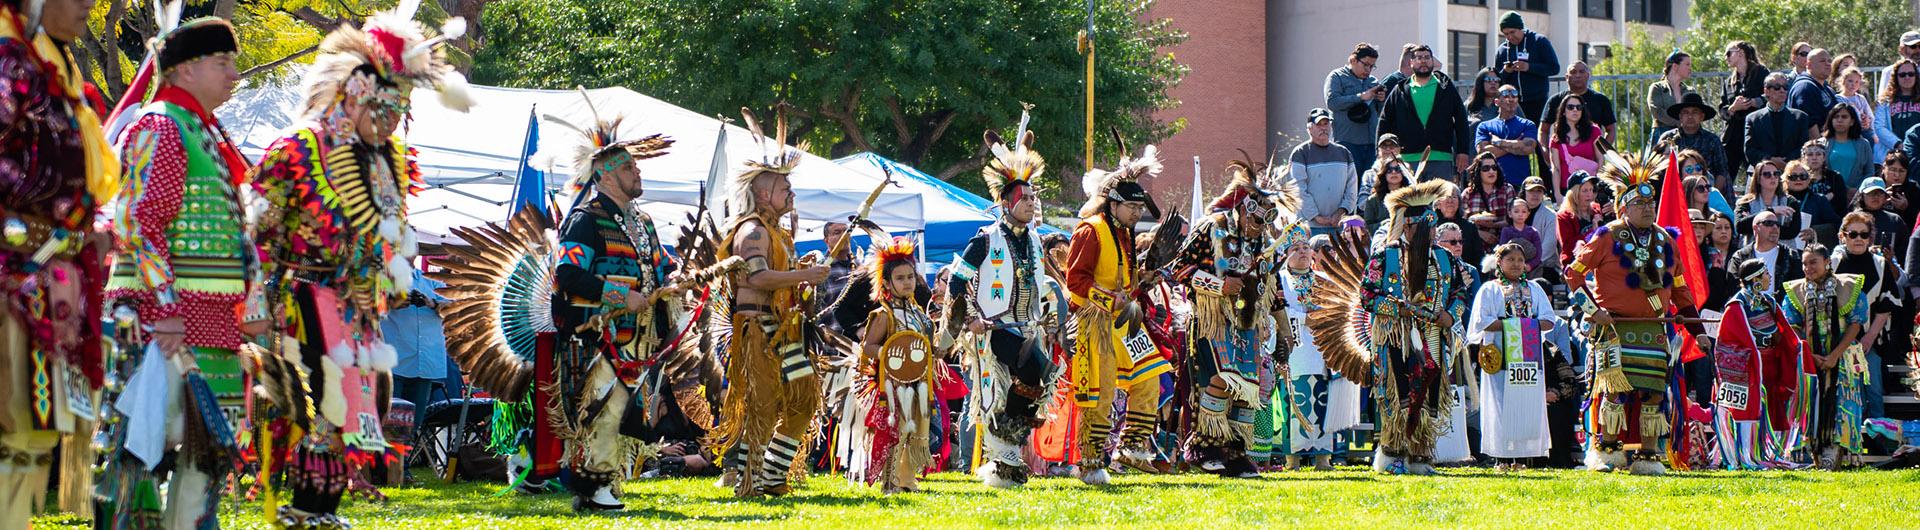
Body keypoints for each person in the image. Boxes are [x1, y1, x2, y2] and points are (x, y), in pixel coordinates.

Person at [244, 6, 471, 524]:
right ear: (355, 95)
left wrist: (387, 282)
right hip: (302, 301)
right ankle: (304, 507)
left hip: (356, 310)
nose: (393, 121)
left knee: (353, 410)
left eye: (401, 111)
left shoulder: (387, 161)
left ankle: (323, 507)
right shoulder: (298, 149)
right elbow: (257, 234)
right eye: (385, 108)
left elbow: (392, 237)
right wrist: (259, 303)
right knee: (322, 406)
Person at [95, 16, 251, 530]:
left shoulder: (206, 133)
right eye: (223, 63)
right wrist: (164, 310)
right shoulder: (160, 124)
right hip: (155, 322)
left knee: (203, 459)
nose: (235, 74)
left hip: (209, 323)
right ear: (184, 69)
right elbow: (138, 221)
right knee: (137, 456)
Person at [0, 0, 116, 523]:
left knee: (35, 433)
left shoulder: (58, 73)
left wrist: (80, 229)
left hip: (56, 283)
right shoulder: (12, 63)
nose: (90, 4)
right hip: (13, 279)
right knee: (11, 428)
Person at [538, 98, 682, 509]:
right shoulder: (586, 218)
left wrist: (674, 281)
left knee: (618, 413)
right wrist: (621, 295)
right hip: (595, 334)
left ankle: (604, 481)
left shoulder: (643, 221)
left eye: (636, 166)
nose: (637, 172)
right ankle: (592, 484)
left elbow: (661, 266)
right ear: (603, 173)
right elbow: (567, 275)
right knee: (601, 408)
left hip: (637, 338)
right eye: (628, 167)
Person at [710, 107, 834, 498]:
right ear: (763, 193)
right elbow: (756, 278)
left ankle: (773, 471)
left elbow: (780, 279)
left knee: (803, 396)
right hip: (756, 330)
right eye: (785, 190)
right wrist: (803, 276)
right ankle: (748, 481)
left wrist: (802, 278)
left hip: (784, 328)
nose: (791, 195)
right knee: (761, 406)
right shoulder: (751, 231)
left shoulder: (777, 233)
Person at [1567, 156, 1711, 475]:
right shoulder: (1607, 235)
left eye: (1651, 202)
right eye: (1640, 203)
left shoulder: (1666, 241)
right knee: (1614, 392)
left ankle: (1647, 457)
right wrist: (1594, 310)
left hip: (1654, 330)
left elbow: (1681, 290)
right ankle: (1607, 453)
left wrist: (1697, 330)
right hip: (1614, 328)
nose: (1648, 208)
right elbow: (1573, 274)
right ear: (1624, 207)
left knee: (1652, 393)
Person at [1331, 180, 1471, 475]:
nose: (1431, 232)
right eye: (1425, 226)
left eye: (1433, 225)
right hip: (1396, 338)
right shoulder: (1385, 257)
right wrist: (1399, 309)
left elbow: (1460, 292)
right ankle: (1393, 454)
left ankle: (1421, 454)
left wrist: (1451, 314)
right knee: (1399, 395)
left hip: (1434, 335)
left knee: (1428, 394)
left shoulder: (1444, 258)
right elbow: (1367, 295)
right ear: (1408, 227)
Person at [946, 125, 1058, 488]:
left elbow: (1041, 283)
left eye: (1033, 198)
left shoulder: (1036, 242)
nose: (1031, 203)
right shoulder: (985, 240)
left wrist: (1052, 313)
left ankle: (1006, 456)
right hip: (993, 329)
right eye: (1025, 198)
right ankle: (1002, 450)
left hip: (1026, 327)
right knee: (1030, 375)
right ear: (1008, 202)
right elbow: (957, 282)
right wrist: (970, 320)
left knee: (1037, 381)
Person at [1174, 162, 1287, 478]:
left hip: (1248, 323)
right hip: (1214, 319)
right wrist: (1218, 285)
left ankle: (1237, 453)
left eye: (1264, 220)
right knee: (1220, 381)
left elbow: (1272, 286)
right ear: (1242, 207)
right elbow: (1179, 269)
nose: (1258, 226)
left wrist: (1282, 325)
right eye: (1255, 218)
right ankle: (1206, 447)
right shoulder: (1211, 228)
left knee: (1247, 389)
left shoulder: (1260, 242)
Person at [1065, 145, 1168, 482]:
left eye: (1141, 207)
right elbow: (1075, 280)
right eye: (1132, 207)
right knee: (1102, 391)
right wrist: (1111, 300)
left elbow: (1126, 281)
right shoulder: (1090, 230)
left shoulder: (1124, 234)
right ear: (1113, 205)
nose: (1138, 213)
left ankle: (1132, 446)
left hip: (1125, 322)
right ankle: (1091, 461)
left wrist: (1144, 281)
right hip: (1095, 321)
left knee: (1150, 378)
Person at [846, 237, 936, 493]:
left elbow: (928, 347)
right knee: (894, 433)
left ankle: (907, 480)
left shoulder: (919, 313)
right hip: (892, 386)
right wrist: (892, 352)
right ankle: (890, 481)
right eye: (900, 278)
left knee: (915, 430)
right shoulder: (884, 314)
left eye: (911, 276)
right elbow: (868, 347)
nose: (907, 282)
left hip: (919, 384)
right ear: (886, 283)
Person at [1274, 230, 1359, 471]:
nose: (1302, 252)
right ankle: (1294, 460)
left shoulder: (1325, 280)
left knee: (1323, 400)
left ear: (1312, 253)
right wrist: (1303, 319)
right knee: (1296, 398)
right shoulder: (1280, 280)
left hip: (1323, 351)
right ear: (1286, 255)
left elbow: (1340, 312)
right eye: (1295, 248)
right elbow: (1275, 311)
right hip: (1294, 349)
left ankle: (1323, 458)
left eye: (1305, 247)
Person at [1468, 243, 1558, 470]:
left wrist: (1523, 326)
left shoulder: (1535, 289)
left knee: (1526, 402)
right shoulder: (1489, 290)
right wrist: (1518, 325)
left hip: (1528, 357)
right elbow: (1481, 322)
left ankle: (1521, 458)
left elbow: (1549, 320)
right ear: (1499, 262)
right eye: (1511, 260)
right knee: (1500, 403)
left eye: (1520, 260)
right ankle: (1502, 458)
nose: (1516, 264)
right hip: (1499, 355)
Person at [1711, 259, 1807, 470]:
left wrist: (1793, 349)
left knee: (1774, 407)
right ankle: (1746, 454)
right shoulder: (1736, 306)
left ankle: (1774, 453)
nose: (1769, 277)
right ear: (1754, 280)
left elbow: (1784, 334)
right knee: (1748, 408)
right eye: (1765, 274)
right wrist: (1752, 356)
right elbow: (1726, 341)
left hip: (1770, 364)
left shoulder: (1768, 302)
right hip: (1750, 369)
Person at [1779, 246, 1867, 469]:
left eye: (1813, 262)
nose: (1808, 268)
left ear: (1827, 261)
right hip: (1808, 357)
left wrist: (1835, 355)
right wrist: (1810, 354)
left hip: (1844, 355)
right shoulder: (1796, 291)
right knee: (1807, 399)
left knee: (1843, 400)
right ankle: (1807, 450)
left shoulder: (1848, 287)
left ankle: (1838, 450)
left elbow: (1856, 324)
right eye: (1805, 264)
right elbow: (1792, 328)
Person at [1832, 211, 1900, 422]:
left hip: (1870, 340)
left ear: (1871, 237)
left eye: (1864, 234)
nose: (1859, 239)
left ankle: (1878, 439)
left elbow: (1887, 305)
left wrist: (1868, 338)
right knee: (1846, 394)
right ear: (1843, 236)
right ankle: (1847, 442)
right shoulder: (1832, 264)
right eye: (1853, 234)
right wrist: (1844, 340)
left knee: (1874, 391)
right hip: (1838, 342)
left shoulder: (1880, 264)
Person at [1379, 44, 1473, 182]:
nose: (1423, 61)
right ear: (1411, 62)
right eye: (1419, 58)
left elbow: (1461, 120)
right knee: (1410, 203)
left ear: (1432, 62)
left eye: (1427, 57)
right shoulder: (1399, 90)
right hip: (1407, 160)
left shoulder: (1445, 87)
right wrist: (1381, 150)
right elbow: (1384, 121)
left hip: (1441, 157)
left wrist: (1463, 151)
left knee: (1441, 202)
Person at [381, 267, 450, 436]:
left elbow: (455, 308)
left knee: (412, 427)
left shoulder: (430, 280)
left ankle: (403, 462)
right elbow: (366, 302)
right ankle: (388, 461)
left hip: (425, 365)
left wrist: (432, 303)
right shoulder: (384, 276)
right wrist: (392, 301)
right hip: (395, 363)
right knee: (389, 424)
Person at [1292, 108, 1360, 237]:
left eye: (1326, 123)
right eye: (1319, 124)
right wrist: (1316, 216)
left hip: (1341, 226)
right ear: (1309, 128)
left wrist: (1341, 212)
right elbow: (1298, 189)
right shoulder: (1300, 153)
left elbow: (1352, 187)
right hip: (1310, 227)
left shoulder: (1344, 152)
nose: (1323, 128)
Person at [1492, 11, 1560, 122]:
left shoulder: (1539, 41)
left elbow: (1554, 68)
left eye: (1512, 32)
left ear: (1521, 28)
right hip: (1511, 103)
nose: (1509, 37)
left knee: (1534, 135)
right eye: (1506, 34)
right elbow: (1497, 79)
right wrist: (1505, 71)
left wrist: (1529, 67)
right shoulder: (1502, 50)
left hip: (1537, 101)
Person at [1327, 42, 1385, 172]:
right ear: (1353, 60)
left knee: (1370, 185)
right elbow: (1332, 102)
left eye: (1372, 66)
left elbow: (1382, 113)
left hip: (1371, 144)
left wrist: (1381, 100)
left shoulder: (1373, 81)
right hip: (1347, 142)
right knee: (1351, 185)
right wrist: (1360, 97)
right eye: (1365, 64)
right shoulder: (1337, 77)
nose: (1368, 70)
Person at [1657, 93, 1730, 182]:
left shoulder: (1712, 140)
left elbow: (1721, 172)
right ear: (1680, 116)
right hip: (1673, 191)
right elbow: (1656, 168)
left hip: (1705, 190)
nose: (1690, 116)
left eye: (1695, 112)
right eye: (1685, 112)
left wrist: (1711, 193)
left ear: (1701, 116)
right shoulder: (1668, 138)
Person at [1746, 72, 1815, 167]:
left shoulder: (1800, 117)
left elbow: (1803, 147)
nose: (1782, 90)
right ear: (1766, 91)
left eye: (1785, 87)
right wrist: (1770, 160)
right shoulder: (1753, 119)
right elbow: (1750, 151)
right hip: (1761, 170)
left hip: (1792, 170)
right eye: (1777, 87)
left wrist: (1785, 162)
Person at [1476, 85, 1539, 187]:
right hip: (1492, 185)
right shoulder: (1484, 126)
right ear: (1496, 102)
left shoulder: (1528, 124)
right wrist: (1516, 144)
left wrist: (1499, 143)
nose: (1510, 99)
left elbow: (1528, 148)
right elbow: (1483, 152)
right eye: (1505, 96)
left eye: (1514, 96)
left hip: (1520, 184)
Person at [1722, 41, 1769, 177]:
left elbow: (1773, 94)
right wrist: (1733, 108)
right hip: (1734, 135)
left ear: (1740, 53)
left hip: (1756, 133)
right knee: (1726, 176)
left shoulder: (1761, 73)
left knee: (1758, 174)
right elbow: (1722, 110)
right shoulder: (1729, 82)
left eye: (1729, 53)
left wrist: (1755, 102)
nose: (1726, 57)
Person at [1729, 210, 1803, 295]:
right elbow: (1733, 288)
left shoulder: (1791, 256)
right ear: (1755, 228)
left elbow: (1798, 289)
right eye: (1768, 223)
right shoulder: (1740, 257)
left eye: (1778, 224)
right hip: (1748, 306)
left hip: (1780, 307)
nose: (1775, 227)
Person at [1540, 61, 1617, 142]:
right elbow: (1543, 130)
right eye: (1573, 72)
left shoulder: (1601, 100)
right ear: (1566, 77)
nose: (1578, 75)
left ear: (1588, 75)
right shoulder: (1555, 100)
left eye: (1581, 72)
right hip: (1562, 152)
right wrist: (1545, 151)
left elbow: (1611, 129)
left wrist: (1603, 152)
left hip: (1592, 153)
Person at [1545, 93, 1604, 189]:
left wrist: (1597, 185)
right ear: (1563, 111)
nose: (1575, 110)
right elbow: (1556, 169)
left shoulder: (1594, 130)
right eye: (1570, 107)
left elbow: (1600, 159)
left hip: (1589, 188)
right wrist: (1557, 194)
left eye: (1579, 107)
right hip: (1566, 189)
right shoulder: (1556, 138)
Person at [1786, 155, 1844, 247]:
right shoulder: (1778, 199)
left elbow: (1837, 225)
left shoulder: (1819, 200)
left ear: (1809, 179)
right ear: (1786, 180)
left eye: (1803, 176)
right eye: (1793, 177)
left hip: (1811, 250)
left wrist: (1815, 232)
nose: (1798, 179)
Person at [1460, 153, 1516, 248]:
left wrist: (1492, 225)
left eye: (1494, 168)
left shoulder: (1507, 190)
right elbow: (1462, 223)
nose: (1491, 171)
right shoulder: (1468, 194)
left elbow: (1513, 220)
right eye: (1486, 168)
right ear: (1478, 172)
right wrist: (1480, 233)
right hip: (1476, 244)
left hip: (1503, 243)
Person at [1555, 171, 1604, 267]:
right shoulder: (1564, 216)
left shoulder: (1596, 209)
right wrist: (1592, 231)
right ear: (1574, 193)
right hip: (1575, 263)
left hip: (1597, 260)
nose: (1589, 194)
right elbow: (1568, 247)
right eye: (1585, 191)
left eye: (1591, 190)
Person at [1875, 59, 1920, 162]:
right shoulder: (1884, 101)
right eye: (1902, 75)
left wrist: (1912, 145)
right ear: (1896, 77)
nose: (1907, 77)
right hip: (1891, 155)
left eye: (1911, 74)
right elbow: (1879, 127)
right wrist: (1898, 144)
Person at [1834, 67, 1880, 163]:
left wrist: (1868, 121)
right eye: (1850, 81)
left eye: (1856, 82)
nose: (1853, 85)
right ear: (1843, 81)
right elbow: (1848, 114)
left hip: (1864, 130)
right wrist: (1860, 117)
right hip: (1849, 130)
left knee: (1871, 142)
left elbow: (1870, 115)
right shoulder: (1839, 98)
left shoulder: (1861, 98)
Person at [1647, 51, 1697, 140]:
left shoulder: (1690, 91)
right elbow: (1657, 112)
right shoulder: (1657, 88)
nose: (1690, 68)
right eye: (1687, 64)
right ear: (1675, 66)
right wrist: (1680, 123)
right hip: (1661, 136)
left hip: (1686, 136)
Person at [1735, 160, 1791, 236]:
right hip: (1752, 246)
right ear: (1758, 179)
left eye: (1776, 174)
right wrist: (1772, 210)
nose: (1773, 177)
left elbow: (1791, 232)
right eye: (1767, 174)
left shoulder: (1790, 201)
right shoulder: (1745, 202)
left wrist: (1753, 220)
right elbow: (1740, 227)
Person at [1823, 106, 1874, 189]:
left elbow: (1869, 172)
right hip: (1829, 194)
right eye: (1836, 117)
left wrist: (1857, 190)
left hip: (1855, 196)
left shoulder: (1864, 144)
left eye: (1844, 117)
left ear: (1852, 122)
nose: (1839, 120)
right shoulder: (1821, 144)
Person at [1790, 49, 1839, 134]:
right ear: (1809, 65)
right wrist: (1819, 146)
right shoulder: (1804, 87)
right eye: (1822, 61)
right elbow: (1809, 124)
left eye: (1829, 61)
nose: (1828, 64)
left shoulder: (1827, 89)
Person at [1521, 176, 1560, 270]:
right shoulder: (1514, 212)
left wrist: (1530, 265)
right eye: (1531, 191)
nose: (1535, 194)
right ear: (1524, 192)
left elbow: (1548, 247)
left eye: (1539, 191)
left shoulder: (1551, 216)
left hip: (1544, 266)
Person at [1498, 197, 1542, 271]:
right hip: (1511, 268)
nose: (1520, 214)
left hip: (1531, 270)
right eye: (1516, 211)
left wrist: (1530, 265)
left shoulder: (1533, 232)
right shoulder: (1506, 231)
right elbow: (1502, 251)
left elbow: (1538, 254)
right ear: (1510, 214)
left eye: (1524, 212)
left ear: (1528, 214)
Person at [1880, 31, 1920, 98]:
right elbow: (1883, 100)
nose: (1918, 50)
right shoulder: (1889, 71)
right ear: (1902, 49)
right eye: (1913, 46)